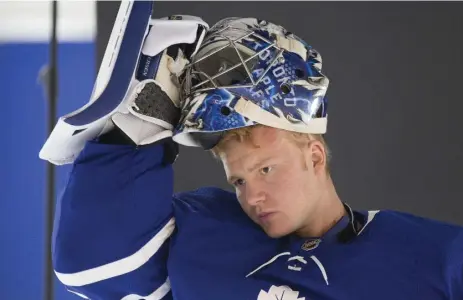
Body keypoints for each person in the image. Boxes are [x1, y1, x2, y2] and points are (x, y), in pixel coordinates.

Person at [42, 10, 463, 300]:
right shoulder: (206, 230)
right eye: (239, 180)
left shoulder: (428, 254)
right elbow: (91, 267)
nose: (252, 195)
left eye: (266, 169)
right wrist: (137, 133)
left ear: (314, 157)